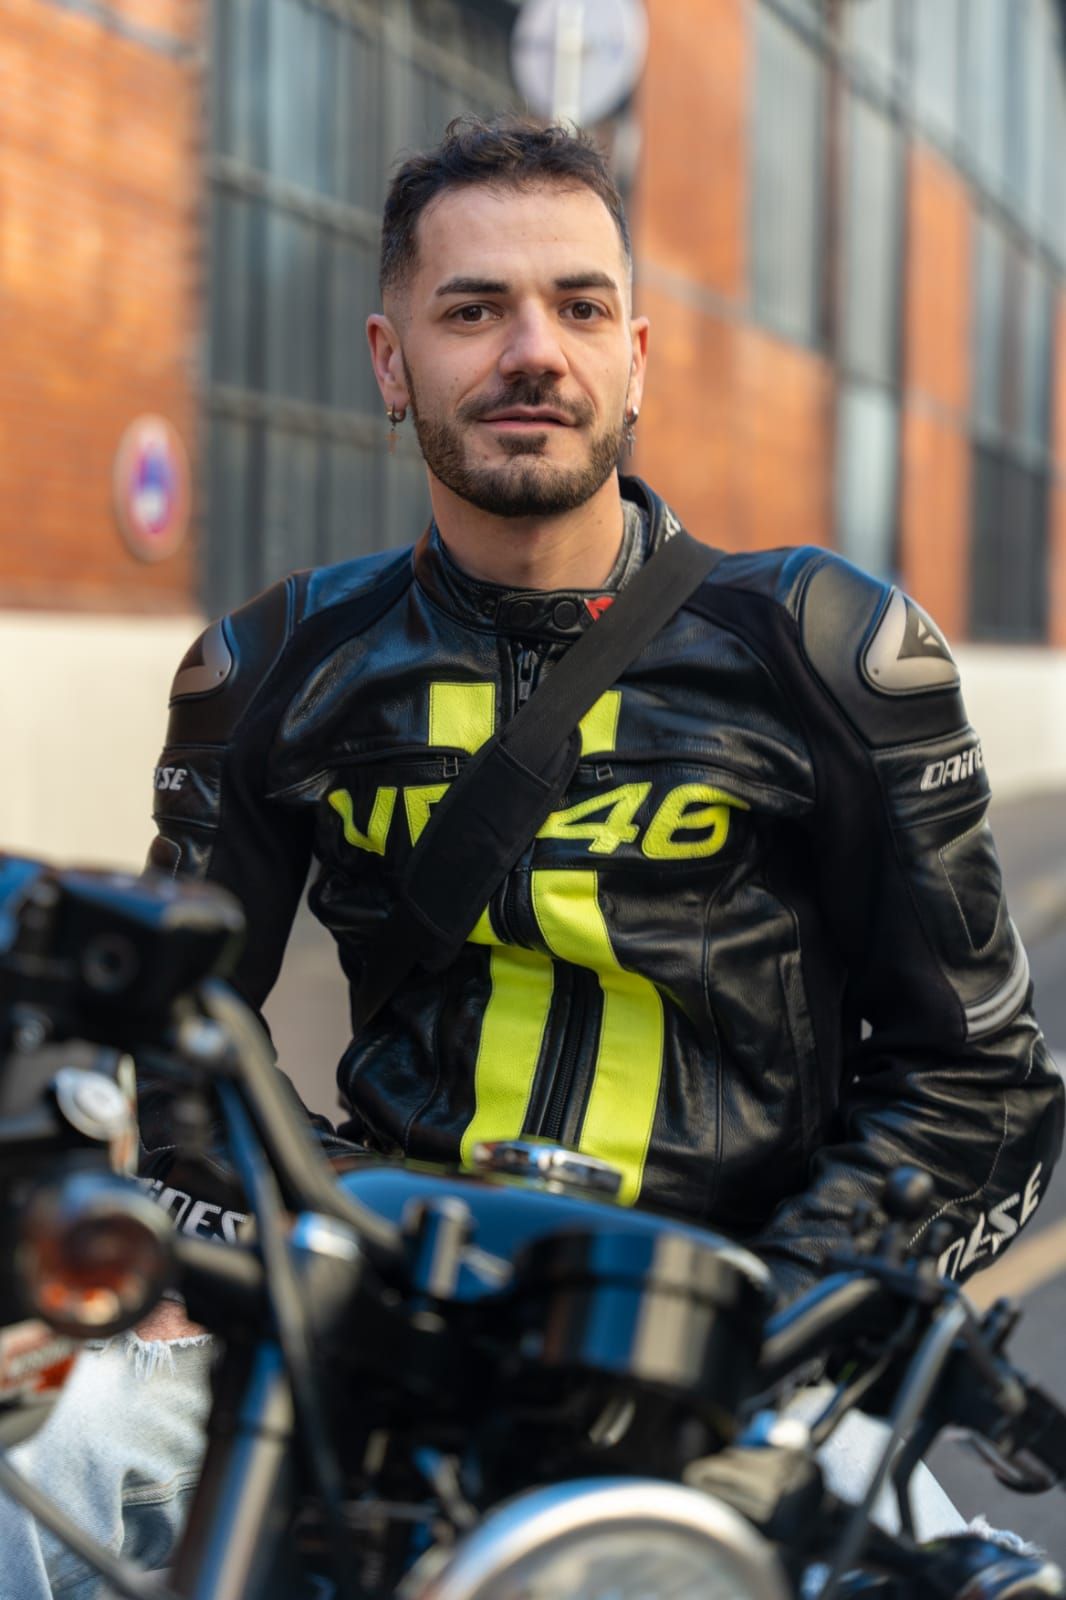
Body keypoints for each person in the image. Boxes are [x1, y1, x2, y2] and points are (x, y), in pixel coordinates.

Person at [1, 114, 1062, 1595]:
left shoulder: (830, 650)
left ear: (636, 356)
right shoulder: (273, 666)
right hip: (382, 1307)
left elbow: (980, 1081)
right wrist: (306, 1241)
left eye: (577, 307)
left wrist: (775, 1310)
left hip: (741, 1335)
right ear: (391, 363)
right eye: (472, 310)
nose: (531, 353)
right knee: (43, 1471)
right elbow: (178, 1037)